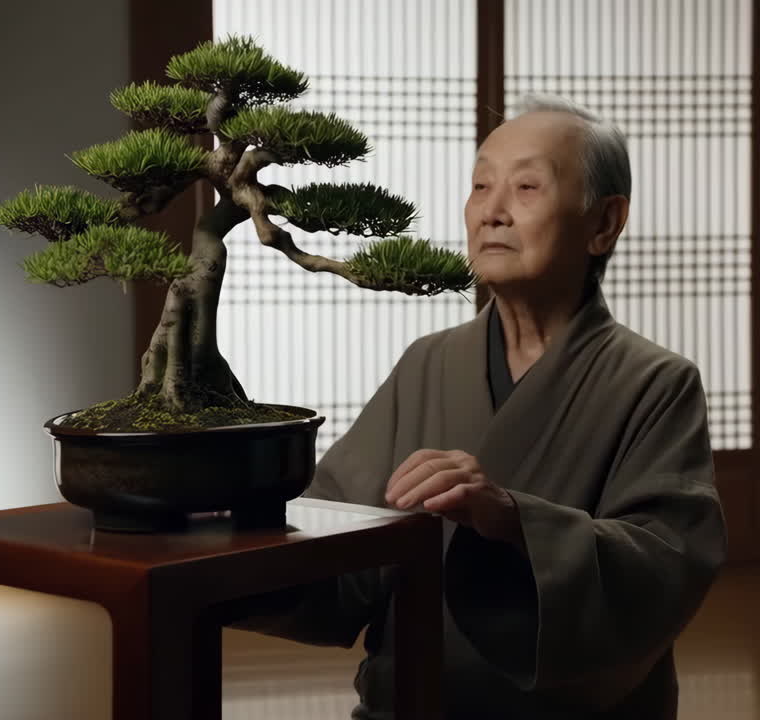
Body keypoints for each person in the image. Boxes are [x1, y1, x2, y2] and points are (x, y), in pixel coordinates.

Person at [233, 95, 728, 720]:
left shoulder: (656, 383)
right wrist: (226, 521)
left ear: (604, 223)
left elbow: (663, 564)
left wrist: (515, 520)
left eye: (526, 186)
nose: (492, 212)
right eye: (480, 185)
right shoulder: (429, 364)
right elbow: (339, 541)